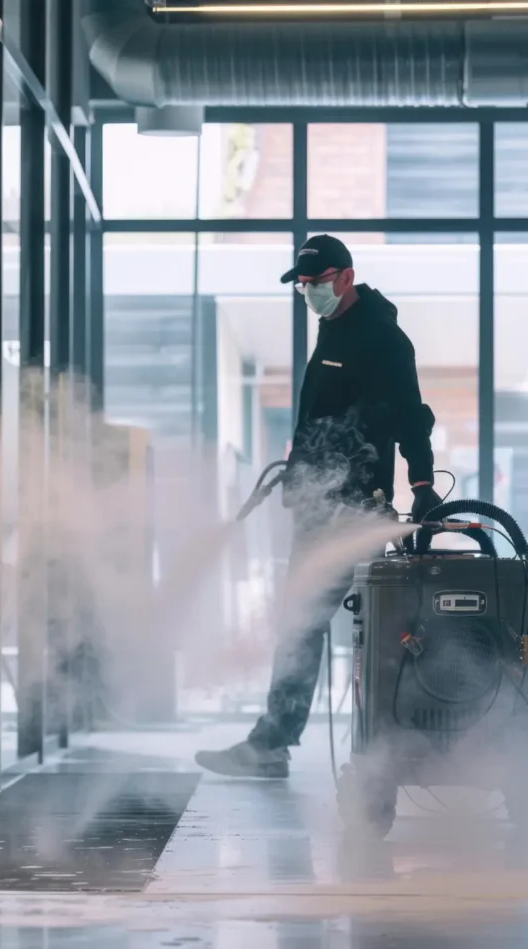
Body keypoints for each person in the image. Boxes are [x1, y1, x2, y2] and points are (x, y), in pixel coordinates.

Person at [196, 235, 441, 779]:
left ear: (345, 278)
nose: (309, 292)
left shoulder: (381, 338)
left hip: (352, 512)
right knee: (306, 626)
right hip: (317, 508)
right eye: (303, 285)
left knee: (313, 625)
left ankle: (288, 744)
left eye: (317, 283)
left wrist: (421, 482)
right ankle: (282, 742)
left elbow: (409, 417)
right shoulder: (333, 328)